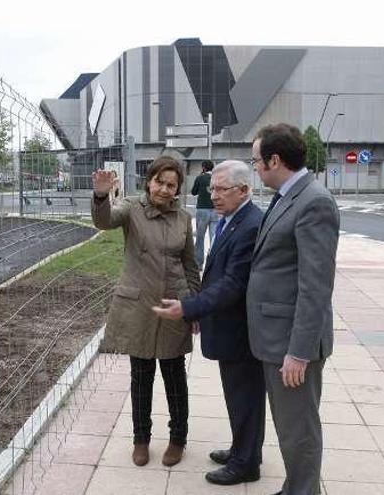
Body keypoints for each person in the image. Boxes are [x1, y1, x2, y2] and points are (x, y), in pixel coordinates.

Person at [152, 160, 265, 486]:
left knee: (246, 396)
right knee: (238, 394)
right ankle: (243, 450)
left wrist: (188, 307)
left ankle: (246, 463)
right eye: (212, 188)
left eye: (221, 189)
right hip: (229, 325)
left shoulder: (249, 226)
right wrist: (199, 310)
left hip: (240, 330)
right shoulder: (233, 219)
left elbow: (232, 284)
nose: (213, 195)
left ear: (244, 190)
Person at [246, 123, 339, 495]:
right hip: (274, 337)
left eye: (256, 161)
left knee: (299, 429)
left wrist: (299, 352)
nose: (254, 168)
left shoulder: (314, 201)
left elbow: (315, 287)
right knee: (289, 427)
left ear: (275, 159)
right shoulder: (287, 195)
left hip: (291, 345)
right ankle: (294, 488)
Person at [90, 156, 200, 468]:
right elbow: (105, 220)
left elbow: (191, 265)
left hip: (172, 306)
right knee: (141, 377)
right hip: (138, 307)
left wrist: (193, 307)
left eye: (171, 185)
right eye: (160, 182)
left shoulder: (183, 219)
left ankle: (178, 439)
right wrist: (100, 196)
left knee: (174, 377)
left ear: (178, 189)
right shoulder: (130, 208)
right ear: (149, 181)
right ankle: (141, 439)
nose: (164, 189)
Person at [191, 160, 219, 267]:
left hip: (202, 210)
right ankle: (214, 264)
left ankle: (199, 263)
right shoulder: (217, 178)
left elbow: (194, 192)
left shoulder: (200, 178)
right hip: (216, 210)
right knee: (214, 238)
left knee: (200, 237)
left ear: (203, 167)